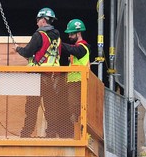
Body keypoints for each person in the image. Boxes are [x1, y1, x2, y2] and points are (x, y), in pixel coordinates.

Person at [12, 7, 61, 138]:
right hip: (53, 77)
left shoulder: (39, 35)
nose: (37, 22)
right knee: (51, 107)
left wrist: (17, 49)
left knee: (32, 107)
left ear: (44, 20)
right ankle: (51, 133)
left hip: (37, 77)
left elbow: (28, 52)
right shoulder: (57, 38)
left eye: (38, 20)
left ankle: (26, 133)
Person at [61, 18, 91, 138]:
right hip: (74, 82)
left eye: (71, 33)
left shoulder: (82, 47)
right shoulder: (78, 49)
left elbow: (73, 49)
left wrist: (58, 43)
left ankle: (81, 135)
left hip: (79, 82)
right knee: (73, 109)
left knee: (76, 109)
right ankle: (77, 134)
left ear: (78, 33)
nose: (69, 36)